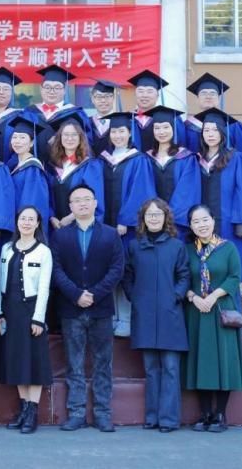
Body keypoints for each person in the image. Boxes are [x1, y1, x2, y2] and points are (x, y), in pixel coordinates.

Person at [51, 184, 124, 433]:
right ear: (70, 206)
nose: (82, 203)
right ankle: (76, 413)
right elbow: (56, 269)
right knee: (74, 363)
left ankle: (103, 413)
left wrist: (94, 294)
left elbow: (117, 269)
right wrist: (76, 294)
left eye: (86, 199)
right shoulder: (60, 235)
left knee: (103, 363)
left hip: (101, 308)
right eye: (77, 200)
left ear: (95, 203)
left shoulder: (110, 234)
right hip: (71, 308)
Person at [122, 199, 189, 432]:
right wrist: (135, 297)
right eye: (149, 214)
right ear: (143, 219)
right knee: (151, 369)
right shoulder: (134, 246)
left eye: (158, 214)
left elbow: (184, 275)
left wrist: (176, 296)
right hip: (145, 315)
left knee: (170, 368)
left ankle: (169, 419)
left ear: (165, 218)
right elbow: (127, 275)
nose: (153, 218)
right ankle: (152, 417)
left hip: (171, 315)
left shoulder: (176, 246)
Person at [183, 204, 242, 433]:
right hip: (196, 312)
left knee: (223, 360)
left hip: (221, 310)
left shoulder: (228, 248)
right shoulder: (187, 251)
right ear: (190, 226)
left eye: (205, 220)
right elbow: (181, 279)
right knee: (200, 360)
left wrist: (212, 297)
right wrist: (193, 297)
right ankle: (205, 413)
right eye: (196, 221)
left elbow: (234, 277)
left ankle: (220, 414)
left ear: (213, 220)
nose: (201, 225)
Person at [0, 205, 54, 434]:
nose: (26, 223)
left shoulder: (43, 251)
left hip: (31, 310)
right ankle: (22, 409)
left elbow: (44, 288)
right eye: (23, 218)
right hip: (10, 310)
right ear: (17, 222)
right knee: (17, 360)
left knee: (34, 361)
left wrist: (38, 318)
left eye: (31, 219)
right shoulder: (6, 248)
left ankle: (32, 412)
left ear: (38, 223)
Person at [99, 112, 156, 336]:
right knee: (107, 269)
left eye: (122, 131)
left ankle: (125, 318)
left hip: (126, 230)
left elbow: (140, 191)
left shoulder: (138, 160)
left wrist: (125, 220)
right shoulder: (103, 160)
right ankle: (111, 316)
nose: (117, 135)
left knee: (125, 270)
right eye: (114, 131)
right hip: (105, 227)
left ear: (130, 133)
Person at [194, 107, 242, 280]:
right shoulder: (196, 160)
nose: (210, 134)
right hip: (202, 226)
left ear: (223, 132)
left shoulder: (236, 158)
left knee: (228, 273)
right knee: (204, 273)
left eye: (215, 130)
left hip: (228, 225)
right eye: (206, 130)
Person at [145, 106, 201, 235]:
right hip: (151, 221)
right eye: (157, 128)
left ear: (174, 129)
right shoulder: (146, 158)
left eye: (166, 127)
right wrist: (154, 215)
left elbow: (186, 193)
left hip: (177, 224)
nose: (161, 132)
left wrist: (168, 218)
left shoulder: (186, 158)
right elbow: (144, 189)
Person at [27, 64, 91, 165]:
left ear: (64, 90)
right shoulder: (29, 112)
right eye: (47, 87)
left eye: (57, 87)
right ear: (41, 89)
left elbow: (86, 142)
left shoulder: (76, 113)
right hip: (34, 166)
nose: (51, 91)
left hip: (64, 167)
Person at [46, 118, 104, 230]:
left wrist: (70, 218)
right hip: (56, 226)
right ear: (60, 138)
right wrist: (52, 217)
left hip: (81, 225)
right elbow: (47, 196)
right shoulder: (52, 165)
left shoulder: (90, 165)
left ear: (80, 138)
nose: (70, 138)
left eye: (74, 135)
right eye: (66, 135)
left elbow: (94, 199)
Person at [183, 73, 242, 154]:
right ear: (197, 100)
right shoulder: (187, 126)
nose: (208, 97)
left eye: (213, 93)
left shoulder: (233, 125)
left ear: (218, 99)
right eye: (203, 93)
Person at [8, 116, 53, 229]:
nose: (17, 141)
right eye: (14, 137)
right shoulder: (14, 164)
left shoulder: (33, 169)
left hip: (25, 226)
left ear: (32, 143)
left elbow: (32, 202)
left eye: (22, 137)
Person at [128, 70, 187, 152]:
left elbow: (181, 144)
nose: (144, 95)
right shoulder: (128, 119)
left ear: (157, 95)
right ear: (135, 94)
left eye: (150, 91)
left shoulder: (173, 118)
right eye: (140, 91)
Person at [87, 80, 118, 156]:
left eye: (107, 96)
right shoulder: (86, 122)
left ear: (113, 98)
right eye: (99, 97)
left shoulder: (122, 122)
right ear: (92, 99)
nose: (103, 100)